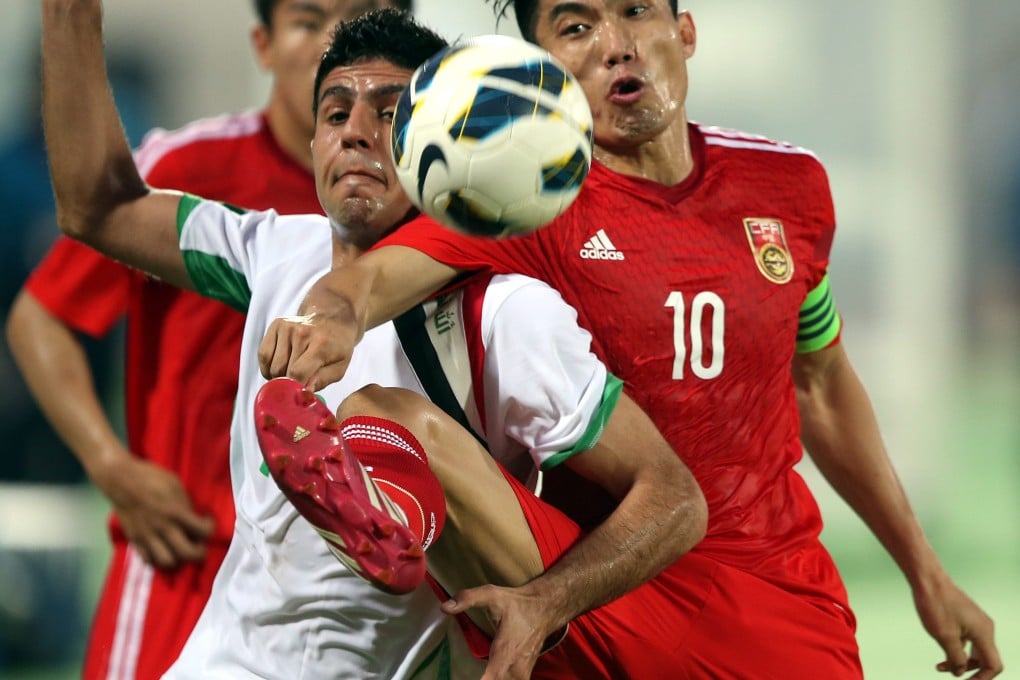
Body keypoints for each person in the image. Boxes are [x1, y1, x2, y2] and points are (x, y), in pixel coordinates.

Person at [259, 1, 1005, 677]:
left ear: (684, 30)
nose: (616, 46)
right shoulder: (521, 204)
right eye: (577, 27)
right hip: (603, 586)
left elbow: (823, 386)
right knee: (388, 413)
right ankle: (390, 531)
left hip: (779, 600)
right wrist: (326, 321)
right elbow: (365, 283)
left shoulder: (789, 187)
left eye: (636, 11)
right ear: (545, 72)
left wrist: (926, 573)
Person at [39, 3, 711, 678]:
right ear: (313, 146)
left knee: (383, 416)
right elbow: (96, 207)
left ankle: (392, 498)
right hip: (221, 664)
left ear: (442, 135)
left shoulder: (507, 309)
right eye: (335, 115)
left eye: (388, 115)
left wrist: (544, 602)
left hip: (391, 664)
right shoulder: (272, 250)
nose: (356, 134)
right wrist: (68, 16)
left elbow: (672, 498)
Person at [6, 1, 410, 677]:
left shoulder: (439, 225)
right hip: (185, 553)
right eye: (309, 23)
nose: (333, 46)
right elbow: (43, 308)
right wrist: (113, 468)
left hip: (337, 594)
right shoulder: (214, 190)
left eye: (360, 21)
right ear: (264, 44)